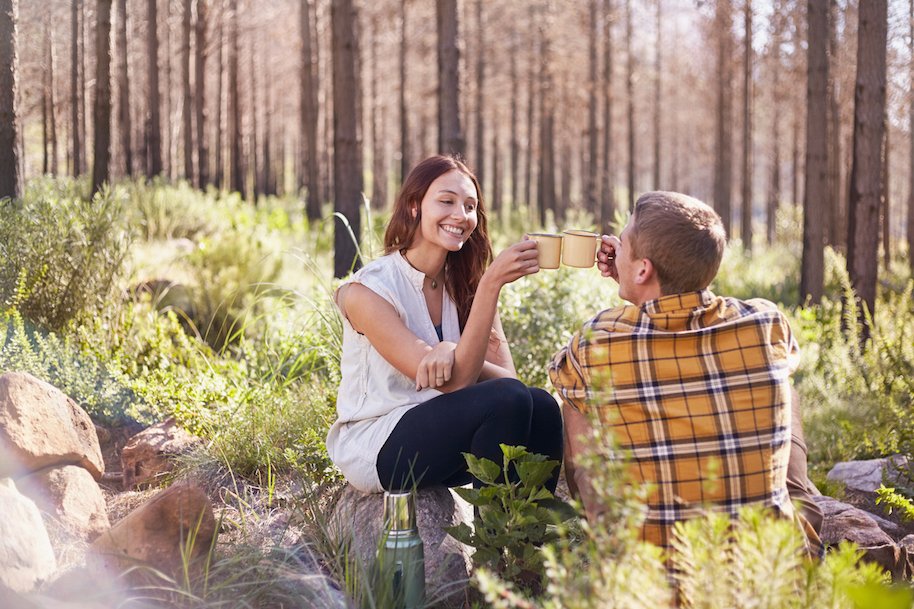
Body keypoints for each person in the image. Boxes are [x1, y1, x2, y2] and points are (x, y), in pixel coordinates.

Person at [548, 191, 823, 557]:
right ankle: (798, 504)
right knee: (782, 380)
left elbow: (580, 460)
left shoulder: (598, 339)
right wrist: (647, 273)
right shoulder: (766, 322)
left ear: (644, 269)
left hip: (655, 576)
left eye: (624, 241)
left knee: (575, 395)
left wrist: (635, 285)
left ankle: (611, 546)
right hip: (768, 571)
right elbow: (695, 305)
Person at [327, 155, 563, 494]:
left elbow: (509, 380)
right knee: (508, 398)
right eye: (446, 201)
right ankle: (493, 542)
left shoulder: (466, 284)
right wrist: (492, 283)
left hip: (442, 434)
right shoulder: (367, 291)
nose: (461, 215)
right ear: (414, 205)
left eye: (470, 206)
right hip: (378, 443)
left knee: (540, 405)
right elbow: (454, 382)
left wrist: (454, 350)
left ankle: (530, 541)